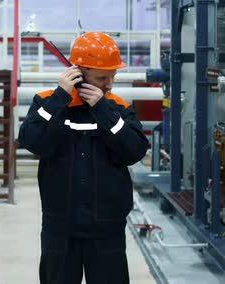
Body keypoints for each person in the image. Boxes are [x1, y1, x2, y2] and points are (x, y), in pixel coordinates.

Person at [18, 32, 150, 284]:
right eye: (102, 78)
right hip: (60, 226)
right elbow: (32, 141)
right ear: (78, 73)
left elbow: (134, 152)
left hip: (107, 226)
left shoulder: (117, 107)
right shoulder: (47, 103)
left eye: (113, 76)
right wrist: (60, 97)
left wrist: (102, 109)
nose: (109, 84)